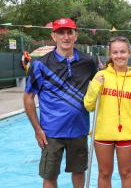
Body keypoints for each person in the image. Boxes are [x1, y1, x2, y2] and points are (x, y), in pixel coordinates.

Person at [23, 18, 97, 188]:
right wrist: (37, 129)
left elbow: (100, 86)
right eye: (61, 32)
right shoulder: (40, 65)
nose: (66, 37)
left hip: (79, 130)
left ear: (76, 35)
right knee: (49, 175)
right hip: (51, 133)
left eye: (69, 32)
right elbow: (28, 97)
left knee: (79, 172)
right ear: (53, 36)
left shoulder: (88, 62)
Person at [84, 36, 131, 188]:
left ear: (129, 53)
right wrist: (94, 87)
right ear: (110, 55)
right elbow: (88, 105)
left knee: (126, 173)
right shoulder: (101, 75)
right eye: (115, 52)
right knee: (104, 173)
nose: (119, 56)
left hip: (127, 134)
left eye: (123, 52)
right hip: (103, 133)